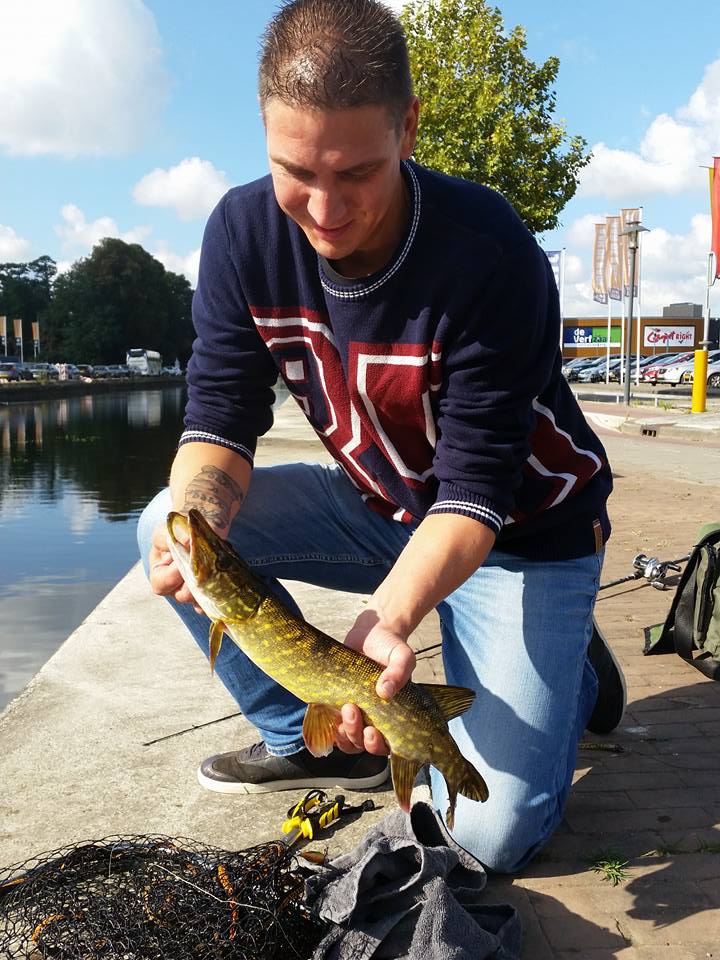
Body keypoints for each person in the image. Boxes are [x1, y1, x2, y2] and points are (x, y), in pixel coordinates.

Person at [138, 0, 624, 873]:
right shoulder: (242, 233)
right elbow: (216, 420)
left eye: (356, 173)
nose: (323, 210)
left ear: (408, 127)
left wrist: (385, 623)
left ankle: (569, 659)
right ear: (263, 134)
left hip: (525, 534)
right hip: (381, 506)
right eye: (295, 171)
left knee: (487, 836)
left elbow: (476, 494)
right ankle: (309, 736)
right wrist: (198, 523)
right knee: (160, 524)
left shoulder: (492, 252)